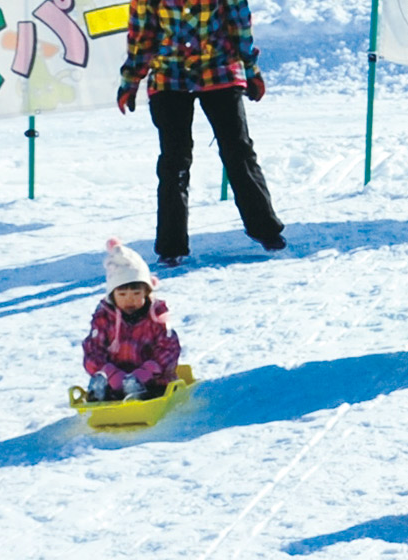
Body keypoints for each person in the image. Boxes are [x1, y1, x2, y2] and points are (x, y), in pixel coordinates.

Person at [117, 0, 285, 267]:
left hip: (218, 68)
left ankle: (266, 229)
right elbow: (142, 34)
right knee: (175, 160)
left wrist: (250, 69)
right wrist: (131, 79)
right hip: (168, 74)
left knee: (237, 150)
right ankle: (171, 246)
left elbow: (239, 24)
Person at [82, 238, 182, 401]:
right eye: (122, 295)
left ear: (146, 292)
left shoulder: (156, 317)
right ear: (112, 296)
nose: (130, 300)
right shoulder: (104, 318)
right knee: (106, 383)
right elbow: (93, 350)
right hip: (113, 378)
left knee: (154, 389)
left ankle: (137, 393)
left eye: (136, 294)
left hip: (152, 379)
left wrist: (147, 372)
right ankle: (100, 393)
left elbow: (169, 349)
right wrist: (110, 373)